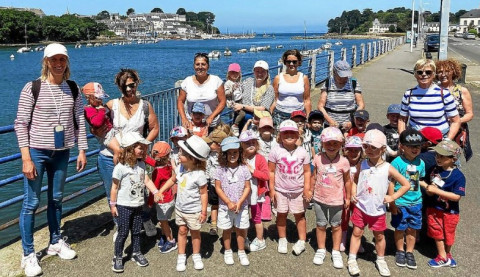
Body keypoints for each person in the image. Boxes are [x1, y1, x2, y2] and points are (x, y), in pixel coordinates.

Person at [14, 43, 87, 277]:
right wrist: (26, 157)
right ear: (45, 61)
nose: (58, 64)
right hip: (37, 151)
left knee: (56, 199)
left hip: (63, 152)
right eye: (53, 60)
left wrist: (82, 150)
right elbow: (20, 123)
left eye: (62, 60)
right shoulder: (32, 88)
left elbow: (79, 120)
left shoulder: (73, 88)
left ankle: (55, 241)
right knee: (31, 203)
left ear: (67, 62)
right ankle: (28, 254)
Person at [94, 68, 159, 233]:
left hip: (135, 158)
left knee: (138, 190)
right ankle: (121, 226)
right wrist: (94, 130)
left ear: (137, 83)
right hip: (110, 157)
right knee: (113, 192)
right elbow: (97, 126)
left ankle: (144, 219)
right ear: (119, 88)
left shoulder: (145, 106)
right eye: (125, 86)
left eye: (132, 85)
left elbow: (154, 128)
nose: (129, 89)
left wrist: (143, 146)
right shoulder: (112, 105)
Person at [347, 130, 410, 277]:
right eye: (366, 146)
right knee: (356, 233)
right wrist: (353, 193)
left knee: (379, 236)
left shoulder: (388, 167)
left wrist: (392, 196)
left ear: (383, 149)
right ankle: (351, 259)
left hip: (378, 210)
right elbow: (354, 180)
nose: (369, 150)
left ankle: (380, 260)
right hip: (361, 207)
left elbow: (406, 184)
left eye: (373, 147)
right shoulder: (362, 164)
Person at [157, 135, 210, 272]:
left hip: (194, 211)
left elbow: (204, 193)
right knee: (181, 230)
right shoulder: (180, 168)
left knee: (195, 232)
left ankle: (196, 255)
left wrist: (204, 211)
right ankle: (181, 255)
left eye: (183, 152)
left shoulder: (199, 174)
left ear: (192, 159)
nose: (179, 153)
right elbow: (172, 180)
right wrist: (160, 191)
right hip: (180, 209)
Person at [110, 132, 159, 273]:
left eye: (144, 148)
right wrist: (113, 205)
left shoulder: (142, 165)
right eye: (140, 148)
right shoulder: (120, 168)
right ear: (130, 149)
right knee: (123, 232)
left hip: (138, 205)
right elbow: (114, 187)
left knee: (137, 231)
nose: (143, 150)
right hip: (124, 206)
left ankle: (136, 252)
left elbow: (146, 180)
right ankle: (118, 256)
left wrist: (155, 192)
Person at [269, 120, 311, 256]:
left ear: (297, 135)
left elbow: (307, 172)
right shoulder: (275, 151)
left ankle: (302, 240)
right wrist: (272, 189)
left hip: (298, 191)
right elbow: (271, 171)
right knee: (281, 214)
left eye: (292, 132)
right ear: (280, 135)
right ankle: (282, 238)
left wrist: (307, 188)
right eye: (285, 132)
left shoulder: (303, 152)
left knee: (300, 215)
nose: (289, 135)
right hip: (280, 190)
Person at [310, 127, 351, 268]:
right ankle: (321, 249)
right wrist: (310, 190)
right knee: (321, 224)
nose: (331, 146)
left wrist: (348, 197)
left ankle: (335, 251)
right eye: (328, 143)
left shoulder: (344, 161)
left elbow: (347, 181)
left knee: (336, 225)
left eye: (335, 143)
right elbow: (314, 176)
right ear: (322, 143)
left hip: (337, 200)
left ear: (341, 144)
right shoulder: (318, 158)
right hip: (319, 198)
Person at [422, 140, 465, 268]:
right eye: (437, 155)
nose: (438, 158)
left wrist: (436, 190)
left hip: (451, 211)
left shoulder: (458, 176)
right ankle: (442, 256)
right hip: (434, 208)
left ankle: (447, 254)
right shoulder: (435, 170)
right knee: (437, 232)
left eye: (442, 156)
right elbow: (431, 188)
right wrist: (427, 187)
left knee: (449, 233)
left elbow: (457, 197)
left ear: (453, 158)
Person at [389, 129, 426, 270]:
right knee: (400, 228)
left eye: (417, 146)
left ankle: (409, 252)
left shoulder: (421, 163)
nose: (414, 149)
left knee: (412, 229)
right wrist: (392, 203)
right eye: (410, 146)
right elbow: (391, 183)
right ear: (402, 146)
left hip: (416, 201)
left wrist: (428, 187)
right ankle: (399, 250)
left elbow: (418, 180)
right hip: (400, 201)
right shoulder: (397, 162)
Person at [398, 59, 460, 140]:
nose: (424, 75)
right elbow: (402, 120)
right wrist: (402, 139)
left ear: (434, 74)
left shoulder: (444, 94)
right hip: (415, 140)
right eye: (420, 72)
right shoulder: (409, 94)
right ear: (415, 74)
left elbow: (455, 121)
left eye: (428, 72)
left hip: (439, 140)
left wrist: (447, 141)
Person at [215, 136, 252, 266]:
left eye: (235, 152)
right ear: (224, 154)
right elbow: (218, 188)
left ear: (240, 152)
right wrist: (228, 202)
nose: (232, 155)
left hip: (241, 206)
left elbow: (247, 187)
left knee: (240, 228)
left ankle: (241, 251)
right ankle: (228, 250)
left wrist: (240, 202)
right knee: (226, 229)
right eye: (229, 153)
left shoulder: (244, 168)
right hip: (225, 207)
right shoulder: (220, 169)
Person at [435, 59, 474, 161]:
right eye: (439, 71)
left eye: (447, 71)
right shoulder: (434, 90)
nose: (443, 74)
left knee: (451, 160)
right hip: (437, 131)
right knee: (435, 157)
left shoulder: (462, 91)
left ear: (453, 72)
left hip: (456, 133)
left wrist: (456, 121)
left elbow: (469, 114)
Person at [178, 52, 226, 130]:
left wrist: (211, 117)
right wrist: (184, 118)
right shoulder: (187, 81)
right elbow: (180, 101)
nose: (200, 67)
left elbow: (223, 102)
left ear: (208, 66)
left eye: (203, 64)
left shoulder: (216, 81)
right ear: (194, 66)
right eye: (197, 64)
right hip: (192, 124)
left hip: (212, 124)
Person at [239, 130, 270, 252]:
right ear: (242, 145)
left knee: (256, 217)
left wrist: (253, 171)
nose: (251, 145)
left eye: (253, 142)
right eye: (247, 143)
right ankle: (245, 237)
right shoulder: (240, 158)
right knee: (243, 216)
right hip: (242, 193)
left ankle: (260, 240)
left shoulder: (260, 158)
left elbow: (266, 176)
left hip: (256, 194)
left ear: (257, 144)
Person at [144, 141, 177, 254]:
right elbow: (153, 162)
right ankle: (164, 236)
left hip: (163, 201)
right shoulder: (168, 165)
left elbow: (154, 191)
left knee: (163, 222)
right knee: (163, 220)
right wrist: (145, 157)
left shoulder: (157, 172)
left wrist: (149, 202)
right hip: (170, 199)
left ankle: (171, 240)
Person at [317, 60, 365, 132]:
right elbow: (320, 106)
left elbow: (361, 104)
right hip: (330, 124)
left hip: (349, 124)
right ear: (334, 72)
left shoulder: (353, 83)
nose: (344, 78)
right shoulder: (328, 83)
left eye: (346, 75)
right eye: (341, 76)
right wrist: (330, 121)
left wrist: (352, 121)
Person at [271, 49, 311, 127]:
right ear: (285, 62)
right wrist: (269, 114)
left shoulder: (304, 78)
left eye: (294, 61)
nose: (291, 64)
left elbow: (307, 100)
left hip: (298, 116)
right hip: (280, 114)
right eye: (288, 61)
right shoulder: (278, 78)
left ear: (299, 62)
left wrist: (308, 117)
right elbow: (275, 99)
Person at [232, 60, 274, 131]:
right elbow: (237, 91)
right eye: (257, 71)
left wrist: (243, 106)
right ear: (254, 72)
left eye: (263, 71)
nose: (260, 74)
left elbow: (263, 108)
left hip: (257, 120)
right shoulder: (248, 81)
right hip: (242, 117)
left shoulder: (269, 88)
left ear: (267, 73)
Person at [340, 136, 365, 253]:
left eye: (356, 150)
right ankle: (343, 239)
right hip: (344, 195)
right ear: (345, 150)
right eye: (350, 150)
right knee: (344, 218)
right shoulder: (342, 162)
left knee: (358, 220)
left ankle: (357, 242)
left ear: (361, 151)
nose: (353, 153)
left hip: (359, 197)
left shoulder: (365, 164)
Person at [203, 129, 229, 236]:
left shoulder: (227, 156)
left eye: (210, 142)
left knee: (226, 204)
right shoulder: (210, 154)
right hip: (213, 184)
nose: (208, 144)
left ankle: (227, 223)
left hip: (225, 186)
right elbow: (207, 168)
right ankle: (214, 224)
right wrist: (206, 179)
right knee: (214, 204)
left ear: (218, 144)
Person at [224, 63, 244, 136]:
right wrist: (232, 89)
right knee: (240, 114)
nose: (234, 75)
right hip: (233, 103)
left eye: (236, 73)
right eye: (232, 73)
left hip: (240, 101)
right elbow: (225, 93)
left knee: (240, 115)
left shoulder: (239, 82)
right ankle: (235, 126)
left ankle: (237, 127)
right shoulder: (228, 83)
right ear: (229, 74)